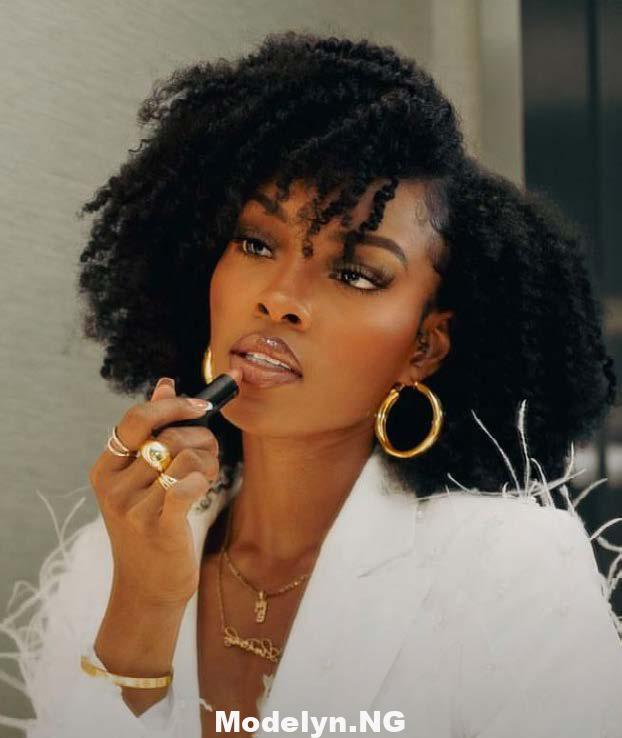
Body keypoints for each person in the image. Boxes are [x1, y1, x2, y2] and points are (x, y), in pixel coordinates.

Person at [1, 30, 621, 738]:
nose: (280, 298)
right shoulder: (108, 564)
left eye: (355, 273)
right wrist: (142, 607)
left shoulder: (507, 574)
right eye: (256, 243)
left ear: (422, 347)